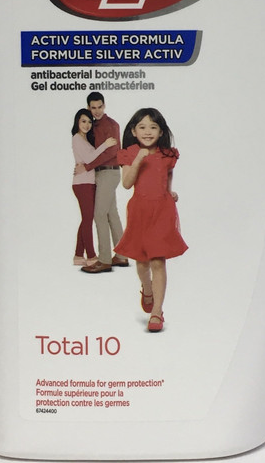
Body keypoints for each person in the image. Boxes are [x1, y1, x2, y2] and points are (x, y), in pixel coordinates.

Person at [114, 108, 187, 332]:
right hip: (140, 211)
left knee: (158, 260)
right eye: (142, 127)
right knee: (142, 261)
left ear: (161, 131)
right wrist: (138, 159)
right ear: (133, 131)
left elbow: (168, 172)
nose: (148, 132)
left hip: (162, 210)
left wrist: (169, 190)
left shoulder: (167, 154)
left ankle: (157, 311)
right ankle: (147, 288)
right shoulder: (129, 153)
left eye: (153, 127)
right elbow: (127, 183)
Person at [76, 92, 129, 273]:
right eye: (93, 108)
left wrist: (87, 166)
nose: (97, 111)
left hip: (108, 172)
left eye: (100, 107)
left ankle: (104, 259)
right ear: (89, 108)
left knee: (99, 214)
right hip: (100, 174)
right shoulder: (92, 126)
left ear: (104, 105)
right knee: (111, 214)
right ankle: (122, 256)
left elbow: (111, 152)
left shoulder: (111, 125)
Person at [70, 109, 117, 267]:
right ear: (77, 122)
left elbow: (89, 159)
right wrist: (105, 145)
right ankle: (91, 255)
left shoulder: (86, 140)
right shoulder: (77, 138)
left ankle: (78, 255)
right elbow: (90, 158)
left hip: (89, 183)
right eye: (83, 121)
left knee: (86, 219)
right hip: (82, 184)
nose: (87, 125)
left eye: (89, 122)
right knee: (88, 219)